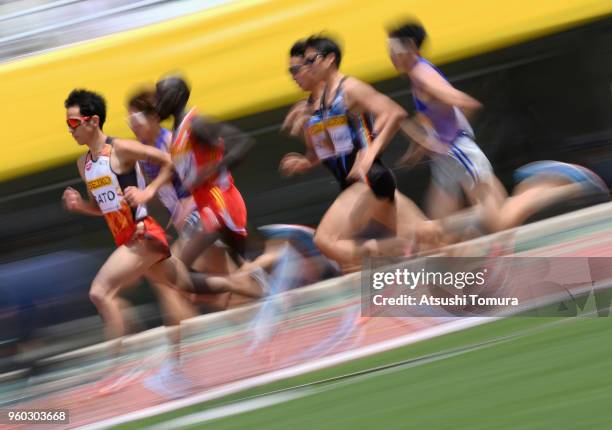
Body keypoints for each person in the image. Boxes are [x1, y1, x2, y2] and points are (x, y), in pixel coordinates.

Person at [62, 89, 198, 395]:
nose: (70, 130)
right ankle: (177, 367)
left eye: (73, 123)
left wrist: (148, 193)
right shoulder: (83, 164)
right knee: (186, 290)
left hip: (143, 234)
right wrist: (80, 206)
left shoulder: (120, 148)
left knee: (100, 292)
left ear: (92, 121)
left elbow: (169, 161)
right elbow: (104, 207)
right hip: (125, 238)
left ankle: (122, 367)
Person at [280, 36, 437, 270]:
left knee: (327, 242)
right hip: (355, 185)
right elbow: (328, 150)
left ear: (328, 60)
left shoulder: (348, 89)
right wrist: (305, 161)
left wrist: (370, 152)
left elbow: (394, 113)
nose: (295, 74)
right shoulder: (312, 107)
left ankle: (390, 253)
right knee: (428, 238)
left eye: (302, 65)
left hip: (368, 181)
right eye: (292, 69)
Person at [386, 21, 507, 232]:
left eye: (394, 49)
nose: (391, 55)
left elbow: (465, 102)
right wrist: (418, 149)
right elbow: (430, 116)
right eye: (389, 49)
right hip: (446, 158)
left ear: (412, 47)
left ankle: (549, 187)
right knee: (441, 227)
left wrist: (450, 139)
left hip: (458, 152)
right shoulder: (417, 74)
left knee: (498, 221)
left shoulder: (422, 74)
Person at [155, 76, 255, 272]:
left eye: (161, 96)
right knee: (242, 264)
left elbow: (242, 143)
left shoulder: (197, 123)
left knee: (179, 268)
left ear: (177, 96)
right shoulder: (177, 131)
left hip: (219, 201)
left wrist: (213, 170)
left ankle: (271, 274)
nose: (157, 102)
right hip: (204, 202)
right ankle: (269, 287)